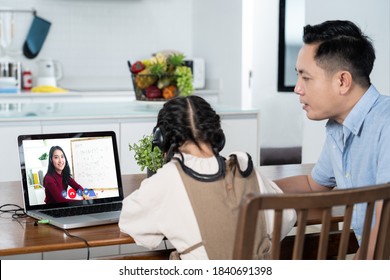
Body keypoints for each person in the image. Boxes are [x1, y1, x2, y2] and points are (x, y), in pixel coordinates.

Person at [119, 95, 296, 260]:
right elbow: (287, 217)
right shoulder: (244, 166)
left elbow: (131, 223)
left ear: (161, 138)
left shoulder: (168, 178)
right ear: (217, 133)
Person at [274, 20, 390, 259]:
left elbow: (386, 222)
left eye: (306, 78)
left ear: (342, 81)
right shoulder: (339, 127)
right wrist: (253, 188)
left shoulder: (385, 124)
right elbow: (313, 184)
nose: (297, 88)